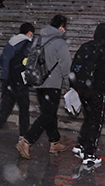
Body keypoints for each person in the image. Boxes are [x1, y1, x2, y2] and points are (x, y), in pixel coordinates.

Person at [16, 15, 72, 159]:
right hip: (53, 84)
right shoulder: (60, 43)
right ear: (61, 27)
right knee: (47, 114)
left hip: (39, 82)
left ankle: (54, 141)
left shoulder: (38, 40)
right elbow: (66, 66)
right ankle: (27, 141)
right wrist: (69, 84)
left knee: (49, 113)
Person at [71, 23, 105, 167]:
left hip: (83, 89)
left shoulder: (86, 47)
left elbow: (74, 67)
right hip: (97, 90)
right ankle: (89, 154)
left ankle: (81, 145)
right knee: (96, 121)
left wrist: (74, 86)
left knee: (88, 118)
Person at [0, 22, 35, 147]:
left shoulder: (10, 43)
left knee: (5, 108)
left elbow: (2, 60)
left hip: (6, 79)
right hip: (19, 81)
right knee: (24, 109)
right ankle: (23, 137)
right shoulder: (27, 45)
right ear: (29, 33)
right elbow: (29, 63)